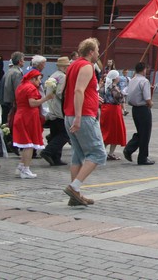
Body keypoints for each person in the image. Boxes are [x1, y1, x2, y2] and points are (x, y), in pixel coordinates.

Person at [63, 38, 106, 206]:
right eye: (96, 51)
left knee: (78, 155)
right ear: (90, 52)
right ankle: (74, 187)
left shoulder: (73, 65)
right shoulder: (87, 66)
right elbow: (78, 90)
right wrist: (79, 116)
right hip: (83, 116)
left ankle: (76, 196)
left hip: (69, 114)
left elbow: (77, 89)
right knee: (98, 153)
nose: (98, 54)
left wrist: (95, 97)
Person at [12, 70, 51, 178]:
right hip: (27, 117)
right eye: (38, 79)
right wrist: (46, 98)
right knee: (29, 145)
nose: (40, 82)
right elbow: (32, 103)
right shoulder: (31, 88)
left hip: (21, 115)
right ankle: (26, 169)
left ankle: (21, 166)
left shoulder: (22, 86)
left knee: (26, 143)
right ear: (33, 79)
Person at [123, 62, 155, 165]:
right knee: (145, 133)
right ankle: (142, 157)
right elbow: (147, 98)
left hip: (135, 109)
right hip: (143, 109)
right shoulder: (144, 81)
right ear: (143, 69)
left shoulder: (132, 80)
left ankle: (129, 149)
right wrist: (150, 104)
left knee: (141, 132)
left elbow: (127, 92)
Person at [40, 56, 70, 166]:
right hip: (59, 110)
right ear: (63, 67)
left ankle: (56, 158)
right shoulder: (62, 77)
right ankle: (48, 151)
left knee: (55, 132)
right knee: (64, 134)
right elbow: (60, 93)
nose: (68, 68)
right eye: (67, 66)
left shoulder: (53, 75)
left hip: (51, 108)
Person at [100, 70, 126, 160]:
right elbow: (120, 99)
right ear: (115, 78)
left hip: (105, 109)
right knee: (115, 131)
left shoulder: (104, 86)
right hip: (114, 111)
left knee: (105, 130)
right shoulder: (114, 88)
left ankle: (102, 151)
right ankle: (109, 152)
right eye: (118, 76)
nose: (119, 78)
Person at [2, 51, 24, 126]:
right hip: (11, 102)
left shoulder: (9, 70)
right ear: (20, 61)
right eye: (23, 60)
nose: (24, 61)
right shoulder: (17, 73)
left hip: (6, 100)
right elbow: (18, 89)